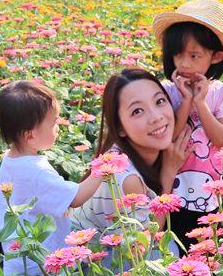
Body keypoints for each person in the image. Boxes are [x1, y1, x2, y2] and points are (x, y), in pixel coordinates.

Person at [0, 80, 106, 276]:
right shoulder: (36, 172)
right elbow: (77, 198)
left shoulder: (11, 159)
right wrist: (102, 168)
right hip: (45, 269)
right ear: (30, 136)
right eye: (53, 122)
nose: (59, 126)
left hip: (20, 265)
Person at [151, 0, 223, 250]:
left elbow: (221, 139)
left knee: (205, 253)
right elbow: (170, 136)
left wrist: (200, 103)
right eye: (178, 55)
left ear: (216, 56)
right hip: (172, 188)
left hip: (209, 193)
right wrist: (186, 98)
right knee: (172, 251)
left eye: (194, 55)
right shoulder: (168, 91)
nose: (184, 64)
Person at [71, 69, 191, 247]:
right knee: (168, 248)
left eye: (159, 101)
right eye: (137, 111)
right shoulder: (128, 179)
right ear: (119, 128)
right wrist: (168, 173)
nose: (156, 117)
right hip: (92, 262)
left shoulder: (122, 148)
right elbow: (145, 245)